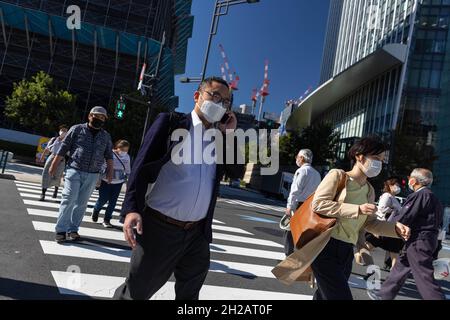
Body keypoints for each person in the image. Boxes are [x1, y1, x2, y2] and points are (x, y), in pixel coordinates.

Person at [113, 77, 244, 300]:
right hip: (159, 228)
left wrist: (229, 135)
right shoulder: (171, 123)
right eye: (215, 96)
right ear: (197, 96)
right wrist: (132, 208)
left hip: (197, 234)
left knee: (190, 296)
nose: (221, 105)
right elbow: (141, 166)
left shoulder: (220, 138)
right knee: (137, 292)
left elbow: (236, 173)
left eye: (226, 102)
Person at [301, 136, 410, 300]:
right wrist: (357, 209)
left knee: (324, 296)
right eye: (375, 158)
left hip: (346, 251)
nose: (379, 164)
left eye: (381, 160)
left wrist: (395, 228)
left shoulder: (369, 190)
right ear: (359, 156)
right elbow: (318, 204)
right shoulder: (338, 176)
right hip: (325, 246)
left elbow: (370, 223)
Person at [369, 169, 446, 300]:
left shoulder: (419, 195)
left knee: (423, 276)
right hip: (426, 239)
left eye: (410, 178)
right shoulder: (434, 198)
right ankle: (384, 294)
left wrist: (384, 227)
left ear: (413, 180)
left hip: (418, 240)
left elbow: (404, 215)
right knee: (401, 265)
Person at [49, 107, 113, 243]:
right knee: (69, 198)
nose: (99, 119)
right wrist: (53, 165)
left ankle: (73, 229)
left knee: (82, 203)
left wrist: (110, 172)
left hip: (93, 174)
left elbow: (108, 155)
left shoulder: (106, 136)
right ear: (90, 116)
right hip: (74, 169)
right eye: (97, 116)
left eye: (102, 118)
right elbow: (64, 147)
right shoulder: (77, 129)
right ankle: (61, 230)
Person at [283, 149, 321, 256]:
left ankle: (288, 255)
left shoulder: (301, 171)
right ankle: (302, 255)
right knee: (304, 232)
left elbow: (295, 190)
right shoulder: (317, 174)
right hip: (310, 206)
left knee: (290, 230)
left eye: (297, 157)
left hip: (299, 204)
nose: (296, 159)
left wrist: (289, 206)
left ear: (302, 158)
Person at [365, 178, 405, 270]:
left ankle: (393, 275)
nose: (398, 187)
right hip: (384, 227)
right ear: (390, 186)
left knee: (394, 252)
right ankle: (360, 259)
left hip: (391, 228)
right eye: (396, 185)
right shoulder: (387, 195)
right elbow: (381, 210)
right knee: (368, 246)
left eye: (398, 186)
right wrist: (393, 210)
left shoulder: (393, 197)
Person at [92, 140, 131, 228]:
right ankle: (96, 209)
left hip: (118, 182)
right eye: (122, 150)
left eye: (126, 150)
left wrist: (129, 180)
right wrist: (99, 179)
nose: (124, 152)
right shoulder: (110, 155)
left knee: (113, 202)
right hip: (106, 181)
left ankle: (107, 220)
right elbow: (102, 167)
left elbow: (128, 170)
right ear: (117, 148)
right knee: (103, 199)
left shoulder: (127, 157)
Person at [39, 125, 68, 201]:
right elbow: (47, 149)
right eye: (62, 130)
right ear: (59, 131)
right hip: (52, 156)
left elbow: (69, 153)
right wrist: (42, 157)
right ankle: (43, 193)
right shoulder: (53, 139)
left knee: (57, 176)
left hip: (61, 159)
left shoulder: (67, 141)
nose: (63, 132)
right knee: (46, 174)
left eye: (65, 131)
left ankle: (55, 190)